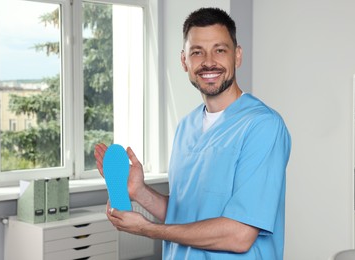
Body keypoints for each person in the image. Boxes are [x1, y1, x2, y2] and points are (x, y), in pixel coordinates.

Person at [94, 7, 291, 260]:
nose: (208, 62)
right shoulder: (186, 127)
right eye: (197, 52)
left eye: (220, 50)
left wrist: (148, 229)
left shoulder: (262, 126)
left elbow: (239, 235)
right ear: (184, 60)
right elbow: (183, 215)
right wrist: (139, 191)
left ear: (237, 56)